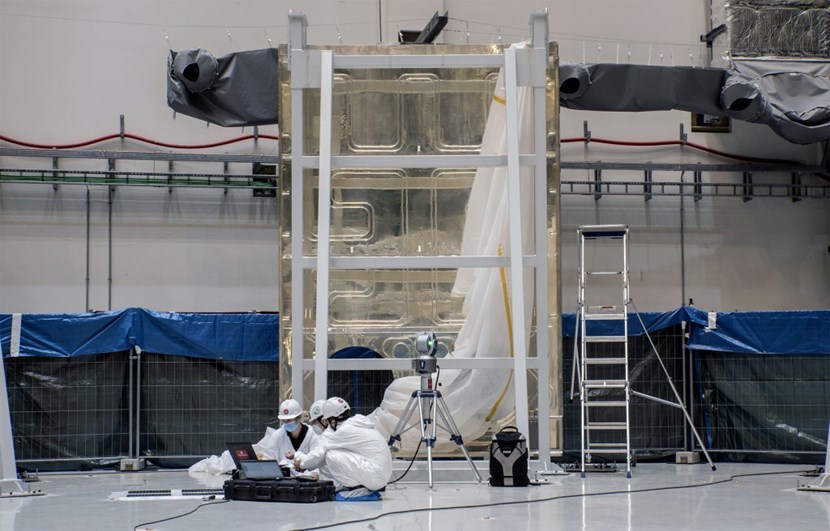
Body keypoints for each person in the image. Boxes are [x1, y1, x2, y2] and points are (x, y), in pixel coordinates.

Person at [293, 396, 393, 499]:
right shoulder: (355, 423)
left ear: (331, 419)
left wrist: (302, 464)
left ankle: (357, 492)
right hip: (381, 475)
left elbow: (319, 453)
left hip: (376, 476)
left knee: (331, 455)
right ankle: (359, 487)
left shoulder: (342, 431)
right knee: (333, 452)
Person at [259, 398, 319, 468]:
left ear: (298, 418)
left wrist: (315, 473)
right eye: (284, 420)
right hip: (285, 477)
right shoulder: (278, 435)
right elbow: (268, 459)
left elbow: (317, 461)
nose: (286, 423)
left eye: (289, 420)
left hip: (307, 477)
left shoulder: (312, 435)